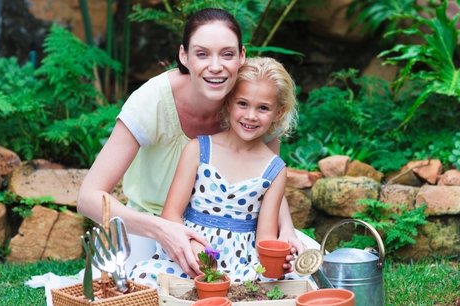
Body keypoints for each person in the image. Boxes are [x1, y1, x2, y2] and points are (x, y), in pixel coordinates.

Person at [77, 7, 310, 280]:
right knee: (131, 285)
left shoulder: (250, 103)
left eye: (227, 54)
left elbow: (266, 180)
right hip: (147, 224)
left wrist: (288, 232)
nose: (215, 66)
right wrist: (163, 229)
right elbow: (88, 198)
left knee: (302, 270)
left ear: (241, 56)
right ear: (184, 56)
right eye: (202, 54)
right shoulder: (152, 100)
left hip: (235, 238)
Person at [128, 56, 304, 286]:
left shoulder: (275, 169)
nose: (250, 115)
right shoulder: (199, 149)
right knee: (142, 275)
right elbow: (170, 214)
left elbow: (266, 236)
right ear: (229, 102)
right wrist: (193, 248)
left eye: (263, 108)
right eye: (243, 103)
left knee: (279, 284)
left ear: (278, 113)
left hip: (242, 267)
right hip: (189, 257)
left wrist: (276, 259)